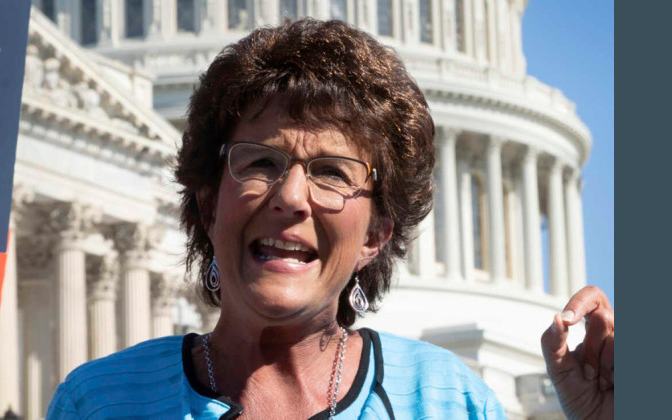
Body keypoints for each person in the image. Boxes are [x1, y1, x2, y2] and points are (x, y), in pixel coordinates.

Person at [46, 19, 613, 420]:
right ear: (206, 200)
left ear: (377, 233)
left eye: (332, 174)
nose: (291, 197)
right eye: (260, 162)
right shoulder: (100, 403)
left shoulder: (445, 402)